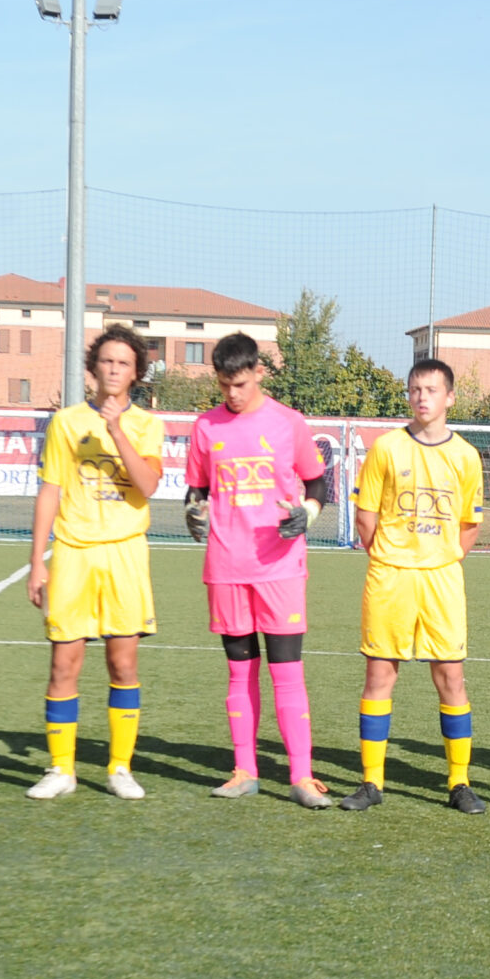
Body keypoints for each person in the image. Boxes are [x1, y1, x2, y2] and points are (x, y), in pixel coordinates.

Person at [184, 331, 333, 807]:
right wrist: (193, 511)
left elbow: (317, 484)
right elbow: (197, 490)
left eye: (241, 384)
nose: (232, 393)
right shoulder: (205, 427)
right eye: (224, 385)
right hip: (226, 566)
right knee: (239, 672)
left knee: (287, 672)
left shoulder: (289, 422)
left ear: (259, 373)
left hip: (280, 567)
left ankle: (302, 776)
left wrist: (307, 513)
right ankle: (244, 770)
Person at [25, 328, 163, 800]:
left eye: (123, 363)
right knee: (64, 663)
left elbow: (147, 485)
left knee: (122, 663)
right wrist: (36, 561)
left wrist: (117, 431)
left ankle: (119, 768)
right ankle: (61, 769)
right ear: (93, 367)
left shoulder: (146, 425)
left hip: (125, 553)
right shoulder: (66, 422)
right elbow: (51, 491)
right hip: (73, 554)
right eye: (106, 361)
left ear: (136, 372)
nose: (113, 370)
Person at [343, 358, 486, 813]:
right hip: (390, 577)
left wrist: (439, 559)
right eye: (415, 389)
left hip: (442, 579)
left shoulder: (465, 455)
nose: (422, 397)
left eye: (431, 389)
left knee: (451, 677)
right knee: (380, 675)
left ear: (450, 397)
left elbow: (469, 526)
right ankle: (371, 782)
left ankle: (459, 782)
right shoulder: (386, 449)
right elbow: (366, 518)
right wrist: (392, 557)